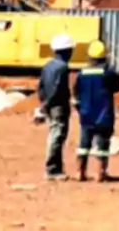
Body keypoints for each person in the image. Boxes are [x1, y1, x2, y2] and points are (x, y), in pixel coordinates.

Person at [73, 40, 119, 182]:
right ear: (104, 57)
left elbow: (76, 93)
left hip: (86, 114)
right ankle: (101, 172)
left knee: (84, 144)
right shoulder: (107, 73)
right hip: (103, 114)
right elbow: (117, 86)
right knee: (102, 144)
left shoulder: (82, 73)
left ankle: (79, 172)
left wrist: (80, 109)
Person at [35, 34, 74, 181]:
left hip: (50, 104)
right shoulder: (63, 67)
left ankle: (55, 167)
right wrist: (47, 104)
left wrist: (43, 103)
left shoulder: (48, 66)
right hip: (58, 105)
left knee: (54, 134)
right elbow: (58, 88)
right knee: (57, 136)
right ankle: (52, 169)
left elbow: (41, 86)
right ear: (67, 51)